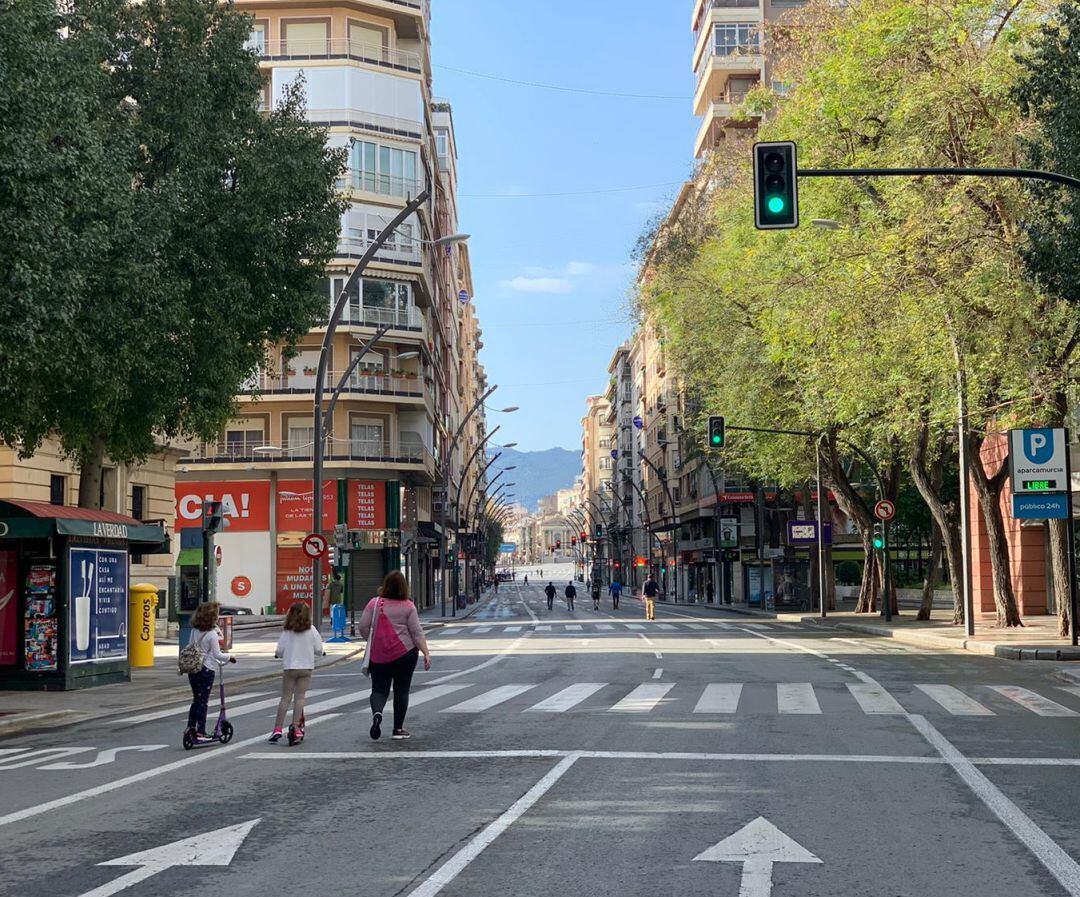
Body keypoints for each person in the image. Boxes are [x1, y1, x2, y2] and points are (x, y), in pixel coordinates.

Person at [360, 571, 431, 741]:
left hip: (379, 654)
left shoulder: (374, 603)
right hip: (405, 654)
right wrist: (426, 653)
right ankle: (398, 729)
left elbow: (363, 626)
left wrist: (372, 640)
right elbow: (416, 633)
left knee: (379, 689)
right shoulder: (408, 606)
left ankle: (377, 713)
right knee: (402, 690)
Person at [269, 602, 324, 744]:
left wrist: (278, 655)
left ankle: (277, 729)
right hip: (306, 667)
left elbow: (280, 650)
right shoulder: (311, 629)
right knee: (300, 698)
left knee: (285, 698)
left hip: (290, 667)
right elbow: (318, 648)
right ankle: (295, 727)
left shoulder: (287, 631)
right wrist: (322, 652)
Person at [185, 601, 235, 737]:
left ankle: (190, 727)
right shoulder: (212, 634)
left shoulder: (194, 630)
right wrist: (230, 657)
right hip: (206, 669)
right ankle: (201, 730)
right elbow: (217, 654)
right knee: (203, 701)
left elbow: (190, 646)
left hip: (193, 668)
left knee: (196, 699)